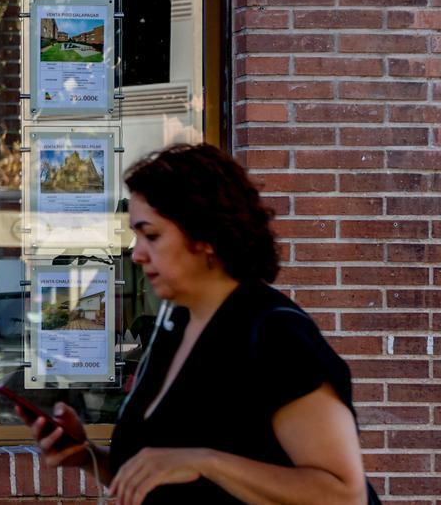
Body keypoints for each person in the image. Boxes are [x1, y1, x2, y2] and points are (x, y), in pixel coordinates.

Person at [22, 144, 374, 505]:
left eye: (151, 235)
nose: (136, 253)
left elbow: (344, 494)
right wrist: (87, 456)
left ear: (205, 236)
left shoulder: (273, 334)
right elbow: (165, 475)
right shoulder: (176, 322)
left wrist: (205, 462)